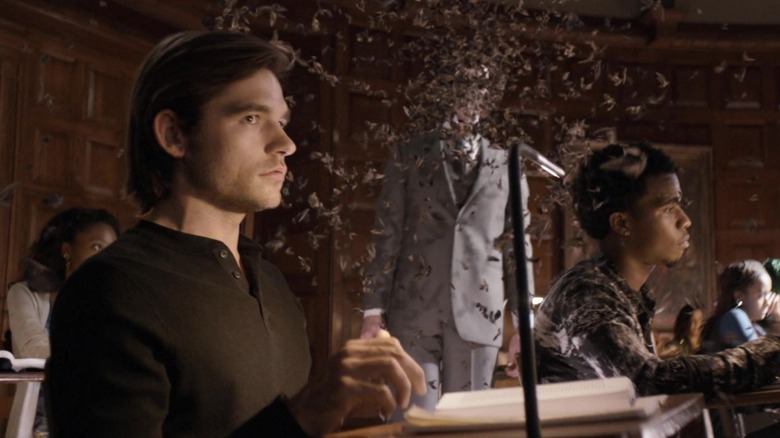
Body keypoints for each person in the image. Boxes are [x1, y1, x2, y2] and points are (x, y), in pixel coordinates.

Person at [46, 30, 425, 437]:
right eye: (251, 118)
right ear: (175, 135)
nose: (286, 143)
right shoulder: (108, 292)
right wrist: (303, 416)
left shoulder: (273, 284)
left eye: (280, 121)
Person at [534, 142, 780, 398]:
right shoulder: (587, 294)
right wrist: (774, 349)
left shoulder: (625, 293)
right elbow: (650, 382)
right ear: (622, 223)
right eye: (668, 208)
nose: (685, 220)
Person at [360, 64, 534, 412]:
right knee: (412, 422)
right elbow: (387, 232)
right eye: (459, 87)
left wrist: (525, 325)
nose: (469, 98)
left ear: (486, 99)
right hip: (413, 313)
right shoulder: (408, 154)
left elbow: (518, 246)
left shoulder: (506, 163)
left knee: (469, 427)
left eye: (477, 90)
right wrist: (372, 311)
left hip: (480, 315)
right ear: (443, 94)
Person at [7, 207, 119, 435]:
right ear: (67, 250)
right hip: (38, 427)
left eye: (111, 250)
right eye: (96, 246)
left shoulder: (111, 303)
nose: (105, 258)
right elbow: (34, 349)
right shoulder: (24, 294)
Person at [700, 260, 771, 353]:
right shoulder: (734, 316)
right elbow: (762, 356)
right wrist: (777, 323)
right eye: (760, 295)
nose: (768, 302)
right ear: (739, 296)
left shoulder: (756, 326)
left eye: (768, 294)